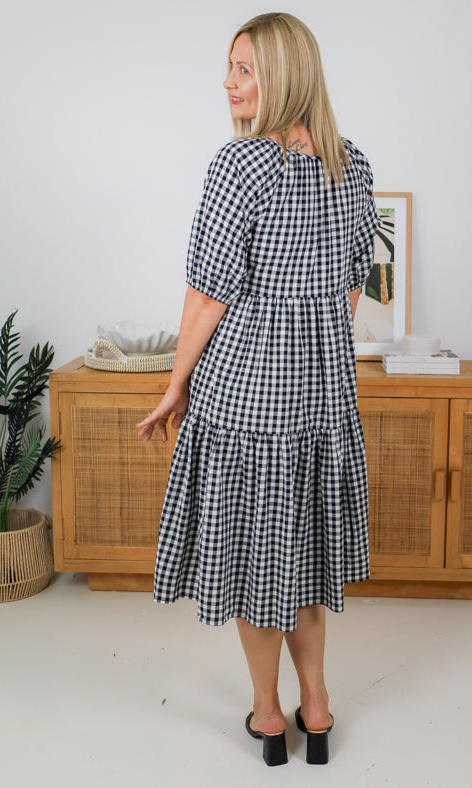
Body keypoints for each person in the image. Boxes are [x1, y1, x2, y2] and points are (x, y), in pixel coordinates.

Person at [137, 11, 378, 767]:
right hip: (323, 398)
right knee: (303, 555)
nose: (230, 83)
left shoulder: (240, 166)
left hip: (246, 397)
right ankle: (319, 708)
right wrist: (313, 346)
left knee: (252, 562)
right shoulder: (354, 164)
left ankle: (270, 717)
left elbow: (206, 296)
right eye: (230, 68)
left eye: (245, 68)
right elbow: (351, 287)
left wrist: (176, 385)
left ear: (285, 75)